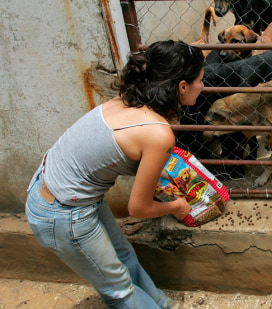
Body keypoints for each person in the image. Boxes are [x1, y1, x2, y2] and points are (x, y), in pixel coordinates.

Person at [25, 40, 205, 308]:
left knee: (124, 255)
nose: (203, 86)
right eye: (200, 80)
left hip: (60, 192)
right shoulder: (158, 133)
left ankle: (162, 304)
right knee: (119, 291)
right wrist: (176, 206)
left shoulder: (125, 102)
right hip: (63, 213)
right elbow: (138, 208)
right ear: (182, 86)